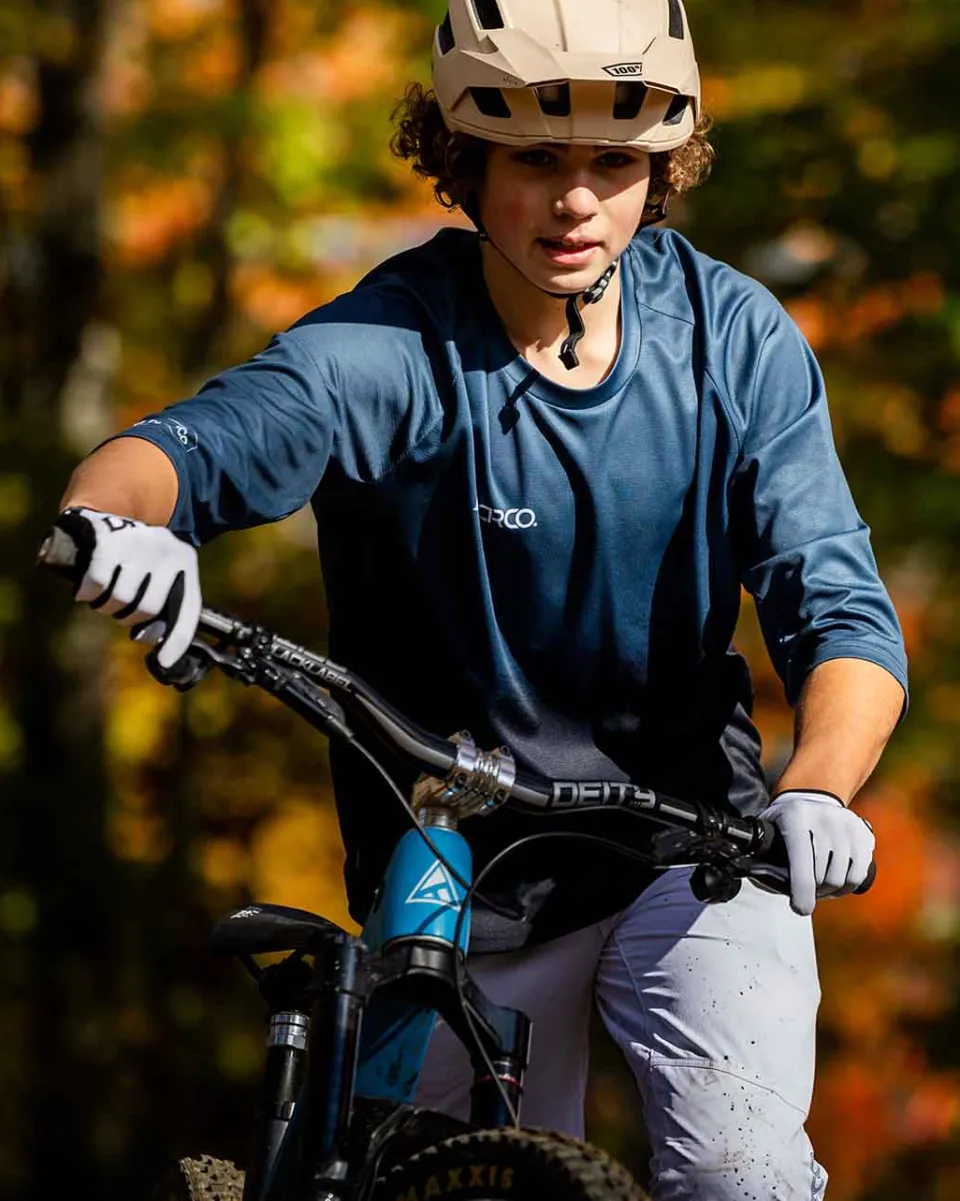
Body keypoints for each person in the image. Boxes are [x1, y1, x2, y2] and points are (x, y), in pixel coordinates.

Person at [53, 1, 907, 1196]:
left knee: (741, 1170)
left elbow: (840, 608)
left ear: (661, 172)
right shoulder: (389, 346)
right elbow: (178, 450)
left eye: (615, 164)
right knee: (447, 1180)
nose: (576, 201)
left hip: (696, 845)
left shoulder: (734, 340)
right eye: (537, 161)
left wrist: (815, 787)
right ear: (467, 163)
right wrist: (118, 524)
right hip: (451, 857)